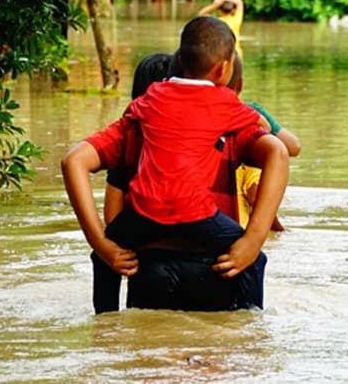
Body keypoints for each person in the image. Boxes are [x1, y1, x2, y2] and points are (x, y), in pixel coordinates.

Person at [61, 17, 290, 309]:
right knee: (253, 260)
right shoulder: (228, 108)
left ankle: (105, 329)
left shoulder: (145, 104)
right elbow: (281, 150)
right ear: (225, 68)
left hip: (145, 216)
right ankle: (251, 331)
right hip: (198, 217)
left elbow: (73, 161)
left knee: (103, 259)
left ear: (180, 60)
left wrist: (102, 245)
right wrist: (253, 240)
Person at [226, 52, 300, 231]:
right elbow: (293, 147)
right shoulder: (250, 122)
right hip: (237, 233)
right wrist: (281, 231)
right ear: (240, 84)